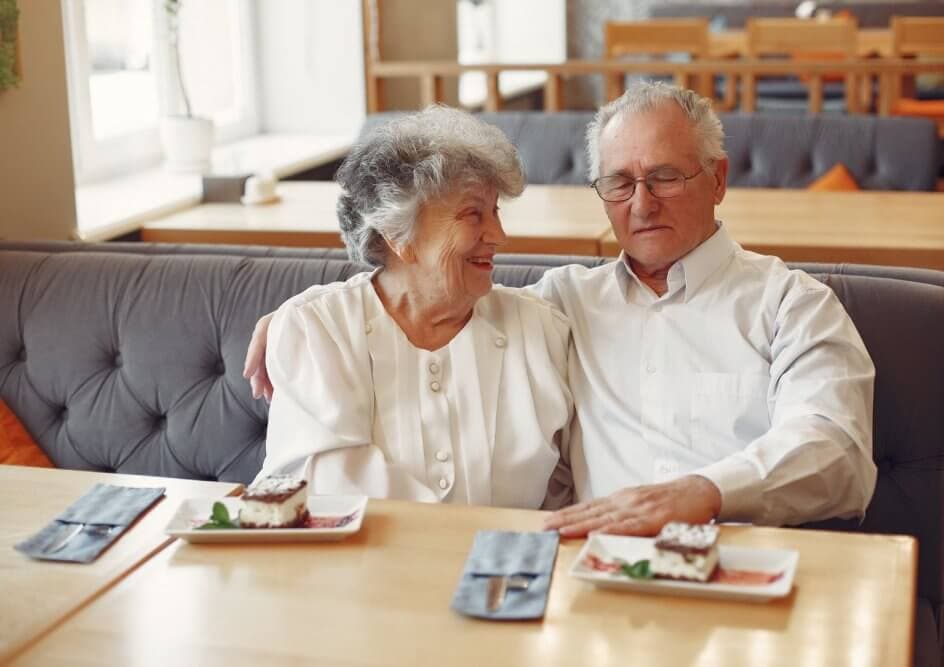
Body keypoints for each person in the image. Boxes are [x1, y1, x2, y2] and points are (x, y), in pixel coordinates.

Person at [245, 83, 877, 536]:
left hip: (751, 559)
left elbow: (838, 450)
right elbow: (420, 296)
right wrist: (301, 316)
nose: (641, 203)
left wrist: (703, 494)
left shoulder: (792, 304)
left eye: (665, 177)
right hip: (599, 577)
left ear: (717, 179)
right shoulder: (564, 305)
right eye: (619, 183)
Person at [253, 106, 573, 509]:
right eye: (473, 214)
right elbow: (325, 489)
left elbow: (567, 496)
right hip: (359, 569)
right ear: (397, 234)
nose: (498, 234)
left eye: (495, 212)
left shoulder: (541, 330)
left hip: (505, 569)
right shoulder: (320, 332)